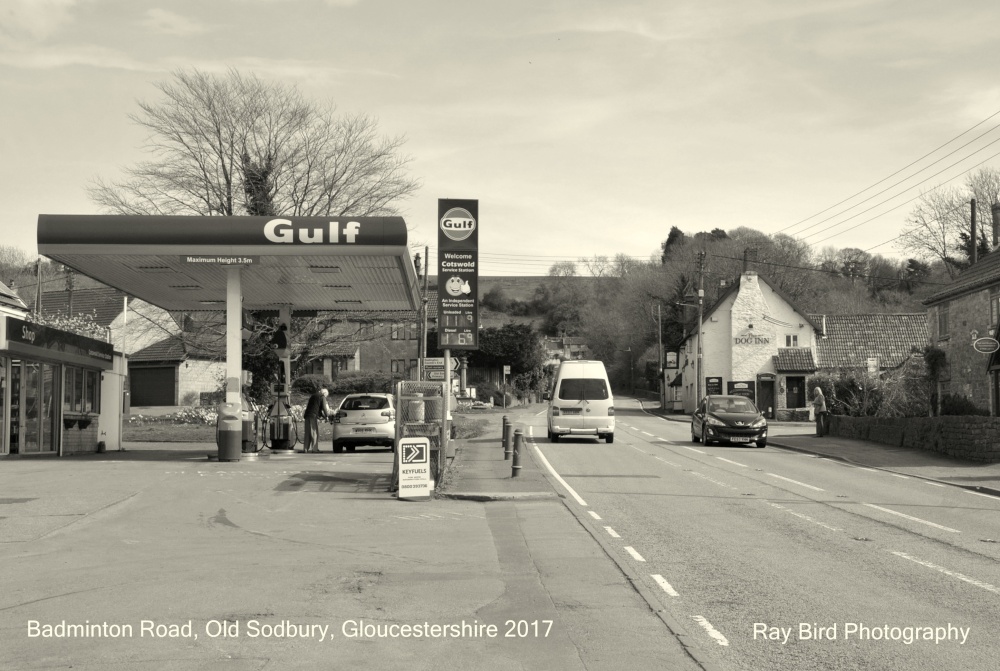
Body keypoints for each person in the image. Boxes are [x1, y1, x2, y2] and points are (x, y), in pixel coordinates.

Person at [303, 387, 330, 453]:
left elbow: (317, 408)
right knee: (314, 432)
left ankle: (305, 449)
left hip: (307, 415)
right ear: (324, 393)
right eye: (326, 396)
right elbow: (324, 408)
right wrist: (327, 416)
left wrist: (323, 416)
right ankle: (314, 449)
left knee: (307, 433)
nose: (325, 397)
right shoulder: (322, 396)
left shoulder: (313, 396)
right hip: (313, 416)